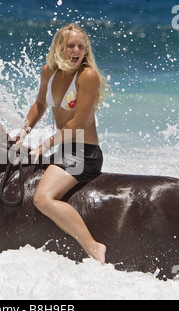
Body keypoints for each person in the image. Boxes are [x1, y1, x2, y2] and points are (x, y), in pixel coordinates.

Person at [16, 23, 110, 264]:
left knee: (42, 198)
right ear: (60, 48)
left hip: (84, 153)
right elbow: (39, 105)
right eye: (71, 46)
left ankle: (94, 247)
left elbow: (78, 124)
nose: (77, 50)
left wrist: (44, 146)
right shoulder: (49, 71)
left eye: (82, 46)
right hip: (65, 149)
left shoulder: (87, 76)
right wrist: (22, 133)